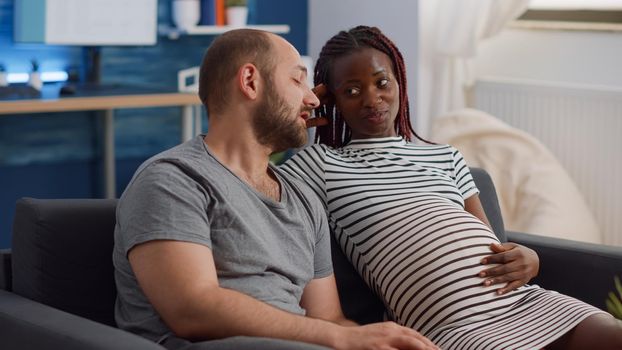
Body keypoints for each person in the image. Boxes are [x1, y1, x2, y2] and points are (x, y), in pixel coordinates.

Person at [281, 25, 622, 350]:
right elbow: (249, 174)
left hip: (521, 301)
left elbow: (493, 245)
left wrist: (529, 259)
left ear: (400, 82)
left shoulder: (446, 157)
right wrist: (292, 114)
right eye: (351, 91)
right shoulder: (319, 163)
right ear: (331, 100)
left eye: (382, 82)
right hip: (449, 326)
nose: (372, 99)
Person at [113, 29, 440, 350]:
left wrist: (374, 340)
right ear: (250, 82)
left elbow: (329, 319)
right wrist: (341, 338)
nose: (314, 99)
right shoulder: (174, 180)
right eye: (298, 81)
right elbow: (193, 310)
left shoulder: (303, 201)